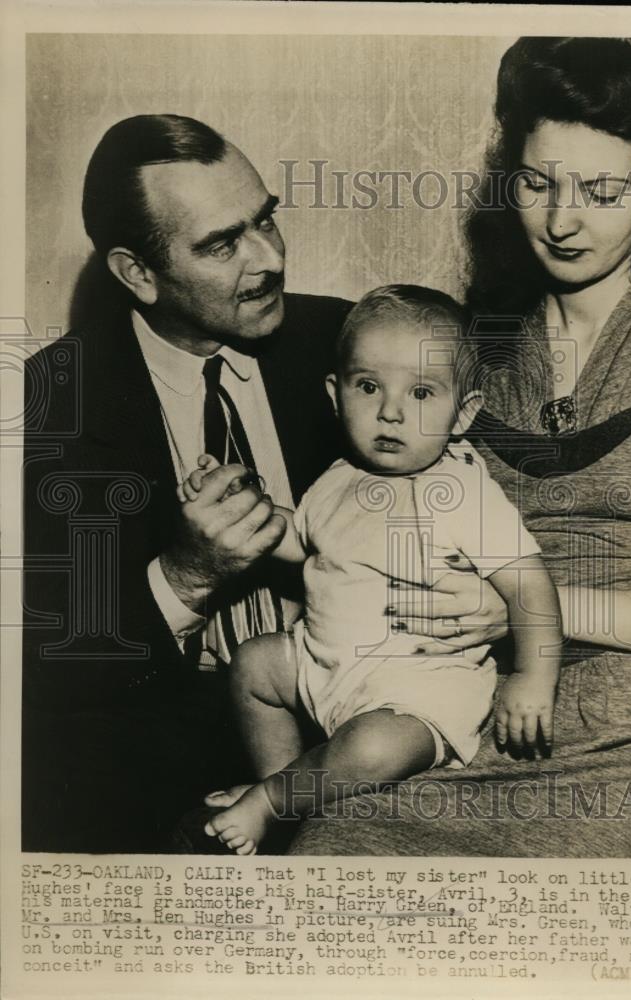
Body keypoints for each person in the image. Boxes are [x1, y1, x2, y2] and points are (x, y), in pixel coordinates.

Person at [282, 37, 631, 858]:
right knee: (320, 851)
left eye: (601, 191)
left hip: (630, 743)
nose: (561, 222)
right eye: (536, 183)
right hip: (459, 711)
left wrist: (534, 608)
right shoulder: (476, 347)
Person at [21, 117, 504, 853]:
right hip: (170, 749)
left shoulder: (352, 347)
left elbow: (492, 495)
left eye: (266, 220)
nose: (269, 258)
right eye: (222, 244)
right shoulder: (49, 402)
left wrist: (493, 600)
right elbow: (49, 667)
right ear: (137, 273)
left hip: (375, 718)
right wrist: (184, 577)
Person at [175, 285, 563, 854]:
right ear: (336, 394)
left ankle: (271, 800)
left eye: (422, 392)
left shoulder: (460, 491)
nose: (390, 411)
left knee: (376, 748)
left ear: (464, 412)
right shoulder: (339, 479)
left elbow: (530, 584)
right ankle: (285, 788)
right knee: (254, 665)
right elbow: (301, 541)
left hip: (415, 692)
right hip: (322, 666)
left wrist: (534, 678)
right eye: (369, 386)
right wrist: (237, 503)